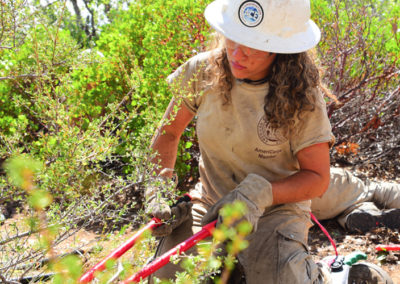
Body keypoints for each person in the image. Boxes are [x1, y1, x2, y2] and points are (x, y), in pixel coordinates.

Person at [145, 0, 393, 283]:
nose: (237, 53)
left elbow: (317, 178)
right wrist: (158, 186)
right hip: (212, 200)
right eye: (233, 38)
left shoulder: (304, 97)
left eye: (253, 44)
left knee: (280, 277)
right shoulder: (201, 71)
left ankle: (326, 275)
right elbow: (168, 133)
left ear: (282, 48)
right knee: (167, 277)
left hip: (276, 210)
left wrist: (260, 194)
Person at [312, 167, 400, 233]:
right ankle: (366, 213)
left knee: (349, 209)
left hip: (314, 203)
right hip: (325, 183)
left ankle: (367, 214)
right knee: (369, 190)